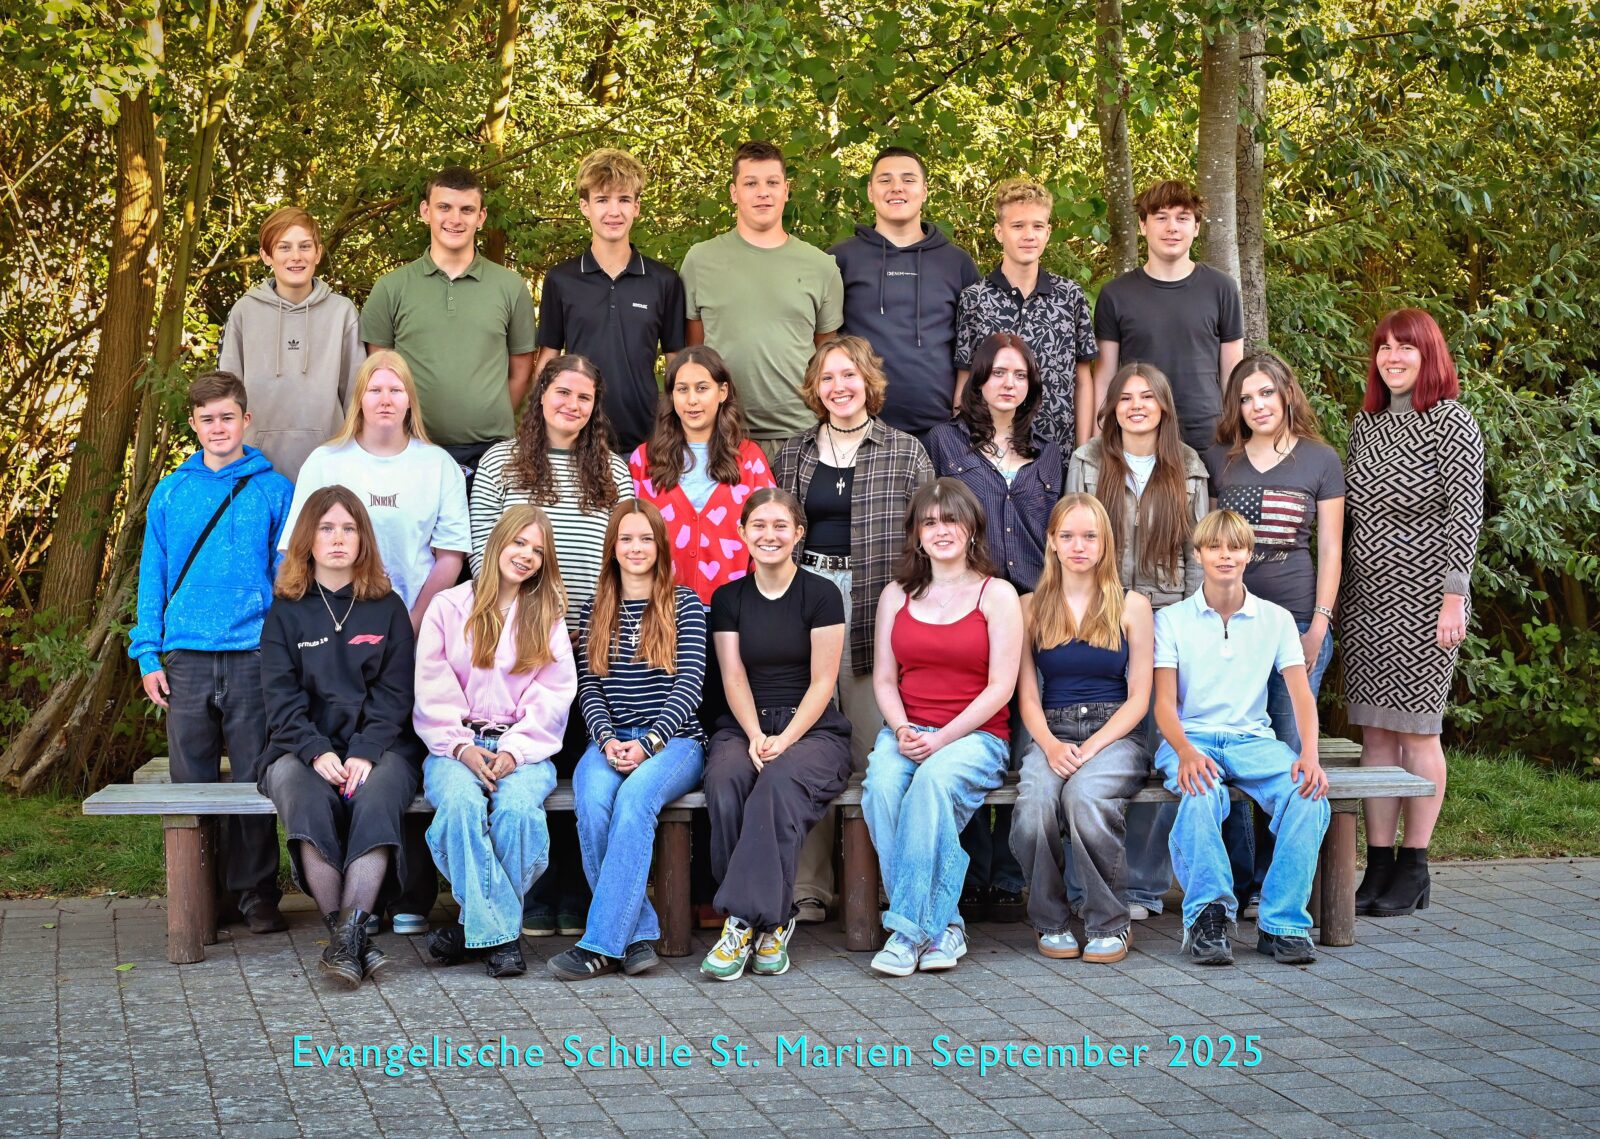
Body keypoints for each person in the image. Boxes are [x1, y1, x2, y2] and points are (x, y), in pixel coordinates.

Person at [772, 334, 934, 921]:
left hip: (876, 607)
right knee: (809, 744)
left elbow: (927, 538)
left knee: (873, 748)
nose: (839, 387)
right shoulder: (791, 454)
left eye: (849, 375)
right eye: (827, 378)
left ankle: (882, 884)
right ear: (815, 389)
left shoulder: (906, 451)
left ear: (868, 381)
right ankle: (809, 888)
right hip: (807, 604)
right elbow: (774, 535)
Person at [469, 353, 630, 937]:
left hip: (592, 637)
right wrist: (524, 622)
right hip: (521, 639)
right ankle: (536, 890)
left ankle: (577, 890)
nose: (572, 404)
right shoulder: (501, 462)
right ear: (540, 395)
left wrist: (599, 622)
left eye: (585, 397)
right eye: (563, 392)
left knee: (580, 760)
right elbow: (482, 551)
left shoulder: (612, 471)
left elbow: (623, 556)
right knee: (534, 758)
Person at [129, 371, 294, 935]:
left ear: (246, 420)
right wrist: (148, 654)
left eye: (227, 417)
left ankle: (255, 894)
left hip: (252, 654)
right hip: (186, 657)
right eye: (207, 419)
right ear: (194, 425)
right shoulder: (171, 492)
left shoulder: (274, 490)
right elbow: (153, 575)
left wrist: (279, 651)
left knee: (253, 778)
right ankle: (201, 892)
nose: (218, 427)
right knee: (191, 783)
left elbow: (285, 579)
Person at [1342, 308, 1483, 917]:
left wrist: (1454, 595)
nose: (1392, 357)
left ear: (1430, 356)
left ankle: (1415, 865)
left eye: (1406, 347)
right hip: (1367, 602)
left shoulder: (1451, 420)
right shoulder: (1365, 424)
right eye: (1384, 348)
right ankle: (1378, 864)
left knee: (1418, 733)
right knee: (1375, 734)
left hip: (1428, 603)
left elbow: (1465, 514)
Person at [257, 486, 424, 988]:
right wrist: (315, 751)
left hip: (382, 747)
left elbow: (397, 692)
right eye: (326, 528)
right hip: (298, 748)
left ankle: (343, 943)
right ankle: (352, 939)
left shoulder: (387, 607)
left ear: (362, 539)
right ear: (307, 539)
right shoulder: (286, 610)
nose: (337, 538)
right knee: (304, 798)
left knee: (377, 798)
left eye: (348, 529)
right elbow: (280, 697)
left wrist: (366, 752)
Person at [926, 331, 1065, 921]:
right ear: (978, 381)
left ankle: (1008, 872)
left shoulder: (1050, 453)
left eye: (1020, 375)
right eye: (998, 373)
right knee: (966, 732)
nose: (1009, 383)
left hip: (1035, 612)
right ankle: (967, 869)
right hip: (966, 609)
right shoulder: (945, 443)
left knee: (1024, 736)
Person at [1152, 509, 1329, 966]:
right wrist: (1185, 751)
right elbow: (1164, 706)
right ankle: (1208, 918)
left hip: (1252, 741)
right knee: (1199, 795)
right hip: (1192, 738)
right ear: (1198, 554)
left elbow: (1301, 696)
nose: (1225, 555)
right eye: (1214, 547)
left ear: (1249, 554)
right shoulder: (1171, 620)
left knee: (1309, 795)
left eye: (1235, 547)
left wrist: (1310, 755)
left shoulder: (1276, 619)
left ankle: (1282, 923)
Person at [862, 478, 1024, 977]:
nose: (941, 530)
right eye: (929, 522)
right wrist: (901, 729)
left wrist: (941, 738)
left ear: (972, 527)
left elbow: (1001, 687)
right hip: (908, 729)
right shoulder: (896, 595)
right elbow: (885, 679)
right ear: (916, 533)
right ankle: (944, 926)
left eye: (951, 519)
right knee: (881, 787)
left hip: (976, 737)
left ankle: (906, 932)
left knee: (931, 784)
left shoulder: (997, 594)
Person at [1206, 351, 1346, 914]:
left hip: (1296, 624)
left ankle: (1275, 882)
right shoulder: (1223, 461)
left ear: (1287, 393)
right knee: (1235, 746)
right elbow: (1210, 545)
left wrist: (1319, 625)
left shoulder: (1321, 460)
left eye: (1266, 392)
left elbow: (1331, 549)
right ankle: (1239, 879)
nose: (1257, 405)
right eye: (1245, 398)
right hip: (1232, 630)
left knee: (1287, 756)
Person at [1068, 362, 1208, 921]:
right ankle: (1088, 884)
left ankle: (1145, 885)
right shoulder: (1087, 461)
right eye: (1125, 398)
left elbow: (1197, 555)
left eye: (1147, 397)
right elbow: (1071, 534)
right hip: (1098, 615)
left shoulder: (1188, 467)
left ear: (1164, 406)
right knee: (1092, 749)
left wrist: (1193, 624)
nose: (1136, 406)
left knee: (1156, 748)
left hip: (1167, 615)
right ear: (1112, 408)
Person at [412, 505, 576, 978]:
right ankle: (502, 937)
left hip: (523, 748)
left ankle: (472, 930)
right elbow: (432, 687)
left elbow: (553, 696)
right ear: (498, 542)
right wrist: (461, 747)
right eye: (519, 542)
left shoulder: (545, 617)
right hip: (454, 745)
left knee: (518, 811)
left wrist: (513, 751)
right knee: (461, 805)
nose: (526, 555)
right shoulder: (448, 607)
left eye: (537, 551)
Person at [548, 500, 708, 981]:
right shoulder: (597, 608)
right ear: (612, 548)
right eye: (626, 539)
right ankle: (636, 936)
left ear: (660, 546)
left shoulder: (684, 604)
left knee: (636, 799)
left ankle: (598, 944)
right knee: (593, 798)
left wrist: (649, 742)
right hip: (610, 740)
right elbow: (589, 688)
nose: (636, 548)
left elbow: (690, 685)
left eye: (646, 539)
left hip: (675, 743)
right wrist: (605, 740)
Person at [699, 489, 854, 980]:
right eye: (759, 525)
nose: (769, 535)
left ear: (798, 534)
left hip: (811, 729)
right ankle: (772, 921)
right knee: (725, 779)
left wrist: (784, 740)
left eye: (781, 525)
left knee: (776, 783)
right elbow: (732, 677)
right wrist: (753, 734)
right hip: (744, 723)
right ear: (742, 532)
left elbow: (823, 682)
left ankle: (741, 924)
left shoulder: (821, 594)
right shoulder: (728, 598)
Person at [1011, 494, 1153, 963]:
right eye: (1068, 536)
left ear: (1105, 542)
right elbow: (1027, 696)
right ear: (1051, 541)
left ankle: (1109, 923)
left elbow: (1139, 699)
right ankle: (1050, 920)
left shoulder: (1132, 605)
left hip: (1115, 733)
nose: (1079, 546)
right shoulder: (1030, 607)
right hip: (1050, 730)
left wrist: (1091, 746)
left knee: (1085, 797)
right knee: (1034, 805)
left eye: (1090, 536)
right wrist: (1050, 746)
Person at [361, 165, 537, 480]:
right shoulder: (391, 288)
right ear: (425, 211)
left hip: (492, 452)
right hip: (411, 446)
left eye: (466, 210)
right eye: (444, 207)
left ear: (481, 217)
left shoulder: (511, 287)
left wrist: (484, 416)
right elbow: (379, 370)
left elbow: (521, 371)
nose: (455, 219)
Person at [282, 350, 469, 632]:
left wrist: (413, 625)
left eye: (396, 390)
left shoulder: (440, 465)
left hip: (414, 625)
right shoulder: (323, 462)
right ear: (359, 399)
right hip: (335, 625)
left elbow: (451, 556)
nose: (385, 400)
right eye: (375, 390)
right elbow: (296, 550)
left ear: (410, 400)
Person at [680, 140, 845, 452]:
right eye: (750, 183)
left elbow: (825, 355)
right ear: (734, 192)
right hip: (723, 433)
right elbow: (695, 351)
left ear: (786, 190)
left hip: (800, 434)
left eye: (772, 182)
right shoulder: (700, 261)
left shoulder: (821, 266)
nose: (763, 193)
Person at [535, 148, 686, 455]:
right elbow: (547, 363)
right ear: (585, 206)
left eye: (624, 200)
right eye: (602, 200)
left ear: (637, 207)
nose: (614, 211)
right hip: (575, 439)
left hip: (645, 443)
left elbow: (677, 365)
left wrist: (676, 431)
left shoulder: (664, 281)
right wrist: (540, 430)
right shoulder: (561, 280)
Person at [829, 145, 979, 439]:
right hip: (858, 427)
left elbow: (973, 344)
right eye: (885, 180)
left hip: (940, 430)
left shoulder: (956, 263)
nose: (896, 187)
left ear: (924, 191)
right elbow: (823, 341)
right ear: (870, 191)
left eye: (908, 180)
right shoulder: (839, 260)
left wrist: (963, 410)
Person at [1093, 179, 1245, 452]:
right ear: (1143, 225)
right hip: (1139, 439)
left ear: (1196, 227)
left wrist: (1239, 437)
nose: (1172, 227)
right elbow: (1105, 378)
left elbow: (1233, 372)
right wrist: (1097, 445)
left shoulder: (1222, 288)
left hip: (1209, 438)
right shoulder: (1115, 294)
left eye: (1182, 218)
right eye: (1161, 217)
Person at [218, 206, 364, 481]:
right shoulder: (244, 311)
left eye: (305, 246)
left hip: (330, 464)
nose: (296, 256)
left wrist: (356, 456)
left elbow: (356, 395)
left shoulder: (342, 312)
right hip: (257, 468)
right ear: (266, 256)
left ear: (318, 253)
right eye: (284, 247)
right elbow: (226, 396)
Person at [627, 346, 775, 606]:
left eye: (702, 388)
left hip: (733, 610)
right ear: (671, 395)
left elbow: (767, 535)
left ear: (722, 391)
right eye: (682, 389)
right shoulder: (644, 460)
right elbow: (626, 537)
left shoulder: (750, 459)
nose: (692, 400)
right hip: (659, 608)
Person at [955, 178, 1097, 449]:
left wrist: (1082, 452)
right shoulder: (974, 299)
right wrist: (962, 449)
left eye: (1038, 226)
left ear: (1048, 232)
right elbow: (965, 381)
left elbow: (1083, 380)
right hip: (988, 452)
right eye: (1018, 226)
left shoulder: (1070, 296)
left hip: (1058, 450)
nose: (1029, 235)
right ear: (999, 232)